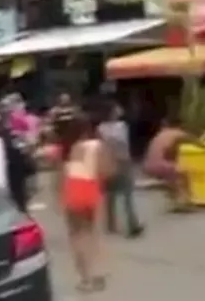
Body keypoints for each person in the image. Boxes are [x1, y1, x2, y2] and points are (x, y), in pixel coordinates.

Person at [58, 114, 113, 293]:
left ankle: (84, 278)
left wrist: (59, 198)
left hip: (71, 189)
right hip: (89, 188)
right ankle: (93, 275)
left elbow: (60, 176)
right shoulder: (96, 146)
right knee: (89, 234)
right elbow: (107, 171)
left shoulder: (66, 148)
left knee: (75, 237)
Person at [142, 115, 205, 211]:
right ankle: (187, 202)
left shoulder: (161, 134)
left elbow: (166, 152)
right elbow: (197, 143)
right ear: (179, 126)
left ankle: (175, 201)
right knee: (185, 175)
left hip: (147, 166)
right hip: (161, 165)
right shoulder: (178, 133)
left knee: (173, 177)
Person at [96, 103, 144, 237]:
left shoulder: (100, 128)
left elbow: (101, 146)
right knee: (127, 194)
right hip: (123, 161)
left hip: (108, 162)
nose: (120, 110)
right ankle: (132, 224)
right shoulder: (122, 126)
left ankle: (111, 224)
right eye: (117, 108)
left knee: (110, 195)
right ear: (113, 112)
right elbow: (123, 143)